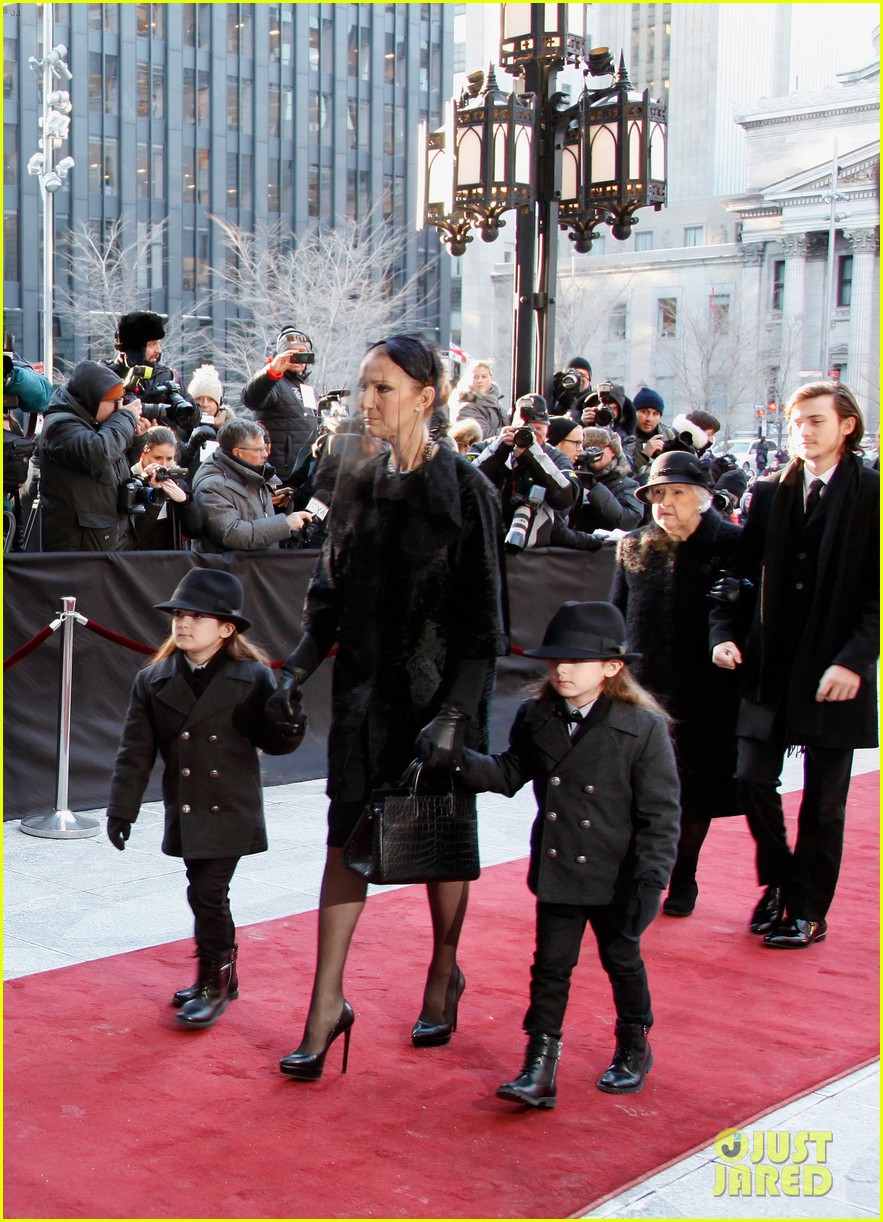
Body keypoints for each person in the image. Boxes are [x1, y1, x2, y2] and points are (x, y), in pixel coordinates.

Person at [265, 332, 506, 1081]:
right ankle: (325, 1007)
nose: (366, 401)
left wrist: (454, 716)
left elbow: (484, 626)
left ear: (426, 398)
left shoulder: (469, 491)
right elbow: (328, 599)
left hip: (439, 705)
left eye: (383, 388)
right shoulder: (359, 483)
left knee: (439, 841)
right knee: (344, 845)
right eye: (363, 386)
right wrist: (295, 670)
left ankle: (444, 970)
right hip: (364, 702)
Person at [455, 602, 680, 1106]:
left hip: (618, 873)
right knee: (551, 966)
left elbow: (661, 814)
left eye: (576, 660)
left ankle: (633, 1045)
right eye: (556, 659)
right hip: (560, 866)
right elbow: (509, 773)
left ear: (611, 667)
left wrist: (651, 880)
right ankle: (540, 1064)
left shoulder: (641, 727)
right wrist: (455, 759)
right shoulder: (537, 716)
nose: (562, 669)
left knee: (622, 960)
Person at [710, 381, 879, 948]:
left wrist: (854, 661)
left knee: (824, 804)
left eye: (815, 421)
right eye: (796, 422)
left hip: (837, 670)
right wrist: (722, 634)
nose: (803, 431)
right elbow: (736, 574)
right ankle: (783, 881)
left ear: (846, 426)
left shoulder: (873, 494)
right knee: (750, 777)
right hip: (770, 668)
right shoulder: (767, 491)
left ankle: (807, 910)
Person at [105, 569, 305, 1029]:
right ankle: (218, 977)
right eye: (179, 614)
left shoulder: (253, 677)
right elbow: (135, 752)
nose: (183, 623)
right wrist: (121, 809)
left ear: (226, 628)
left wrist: (291, 720)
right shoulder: (153, 679)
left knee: (208, 893)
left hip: (230, 805)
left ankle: (214, 984)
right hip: (187, 806)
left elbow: (275, 742)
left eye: (197, 616)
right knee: (203, 892)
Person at [611, 451, 744, 916]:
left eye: (676, 493)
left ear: (703, 497)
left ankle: (684, 872)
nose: (664, 503)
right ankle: (640, 873)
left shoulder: (731, 543)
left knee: (697, 790)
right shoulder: (633, 545)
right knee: (636, 788)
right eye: (656, 494)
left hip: (707, 691)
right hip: (644, 690)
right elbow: (616, 615)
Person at [37, 360, 146, 551]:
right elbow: (97, 454)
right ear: (93, 399)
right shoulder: (60, 425)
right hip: (80, 548)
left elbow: (119, 463)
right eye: (113, 401)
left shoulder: (97, 422)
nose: (118, 407)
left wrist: (136, 437)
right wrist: (125, 418)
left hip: (108, 539)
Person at [474, 393, 579, 549]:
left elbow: (565, 498)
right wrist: (499, 451)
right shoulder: (485, 448)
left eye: (537, 428)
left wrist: (534, 457)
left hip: (534, 547)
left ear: (547, 430)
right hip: (484, 540)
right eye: (523, 428)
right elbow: (464, 483)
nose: (531, 434)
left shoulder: (556, 457)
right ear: (511, 426)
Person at [191, 418, 312, 552]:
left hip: (257, 562)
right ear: (238, 452)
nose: (265, 454)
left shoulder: (253, 471)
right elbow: (231, 535)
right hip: (231, 565)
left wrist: (278, 507)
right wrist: (284, 524)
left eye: (264, 448)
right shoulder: (212, 486)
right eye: (259, 449)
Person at [105, 311, 200, 443]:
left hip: (163, 450)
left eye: (159, 343)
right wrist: (143, 403)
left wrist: (178, 411)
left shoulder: (168, 376)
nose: (158, 350)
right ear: (134, 347)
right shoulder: (106, 375)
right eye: (152, 344)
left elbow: (194, 419)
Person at [241, 326, 319, 483]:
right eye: (291, 352)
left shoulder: (307, 386)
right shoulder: (273, 381)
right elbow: (251, 399)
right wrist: (271, 372)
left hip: (303, 474)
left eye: (302, 352)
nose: (297, 357)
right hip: (279, 474)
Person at [550, 425, 643, 549]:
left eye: (597, 448)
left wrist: (593, 487)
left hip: (601, 553)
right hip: (568, 549)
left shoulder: (627, 485)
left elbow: (626, 522)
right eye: (586, 447)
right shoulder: (572, 476)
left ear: (612, 451)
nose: (591, 453)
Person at [129, 425, 203, 550]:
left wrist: (185, 501)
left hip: (171, 554)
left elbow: (195, 531)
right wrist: (154, 496)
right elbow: (134, 533)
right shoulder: (131, 479)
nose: (164, 464)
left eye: (169, 459)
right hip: (137, 556)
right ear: (143, 455)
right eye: (158, 458)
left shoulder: (176, 480)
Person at [179, 364, 236, 479]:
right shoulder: (179, 427)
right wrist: (191, 446)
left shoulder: (232, 431)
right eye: (199, 399)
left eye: (210, 399)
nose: (204, 404)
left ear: (219, 403)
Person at [449, 360, 507, 438]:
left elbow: (503, 424)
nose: (480, 380)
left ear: (491, 378)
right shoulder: (466, 407)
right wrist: (511, 430)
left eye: (484, 376)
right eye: (475, 377)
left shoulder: (496, 400)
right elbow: (483, 437)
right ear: (468, 379)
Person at [632, 388, 676, 477]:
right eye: (644, 412)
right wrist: (645, 455)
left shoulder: (667, 433)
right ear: (634, 412)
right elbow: (624, 472)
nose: (649, 419)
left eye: (655, 414)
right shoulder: (624, 434)